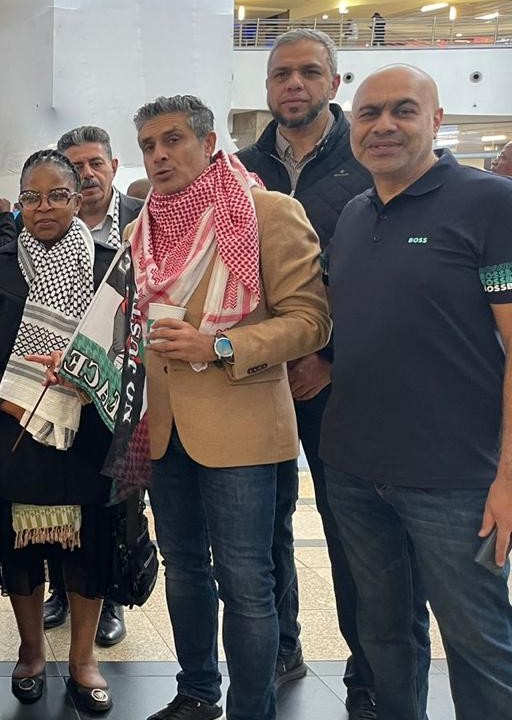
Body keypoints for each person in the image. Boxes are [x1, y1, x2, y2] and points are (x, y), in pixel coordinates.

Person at [129, 95, 331, 720]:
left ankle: (253, 709)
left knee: (246, 583)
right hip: (163, 428)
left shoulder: (265, 212)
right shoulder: (145, 226)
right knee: (184, 569)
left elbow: (311, 321)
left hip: (241, 426)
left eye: (173, 141)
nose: (159, 155)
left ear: (209, 142)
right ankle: (196, 693)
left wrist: (219, 344)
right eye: (148, 146)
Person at [322, 64, 512, 720]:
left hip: (457, 478)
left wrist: (508, 477)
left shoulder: (490, 204)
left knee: (479, 642)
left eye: (403, 110)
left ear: (436, 120)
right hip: (354, 469)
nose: (383, 126)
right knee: (383, 635)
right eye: (368, 113)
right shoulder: (352, 213)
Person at [234, 28, 382, 718]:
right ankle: (282, 645)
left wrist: (329, 357)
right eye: (281, 75)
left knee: (352, 532)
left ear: (334, 82)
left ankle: (368, 668)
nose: (293, 85)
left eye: (308, 73)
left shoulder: (369, 157)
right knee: (262, 527)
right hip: (256, 382)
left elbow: (381, 282)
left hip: (339, 386)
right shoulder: (236, 169)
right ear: (267, 88)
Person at [0, 148, 123, 713]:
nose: (43, 207)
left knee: (86, 551)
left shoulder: (107, 267)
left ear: (78, 199)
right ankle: (29, 653)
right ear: (18, 202)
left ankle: (82, 661)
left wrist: (88, 377)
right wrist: (9, 398)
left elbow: (128, 345)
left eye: (57, 195)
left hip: (86, 437)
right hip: (14, 435)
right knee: (22, 555)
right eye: (32, 196)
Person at [39, 125, 145, 644]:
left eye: (94, 164)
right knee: (62, 501)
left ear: (113, 166)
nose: (86, 175)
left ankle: (111, 602)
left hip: (118, 395)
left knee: (115, 506)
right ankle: (62, 589)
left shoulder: (141, 225)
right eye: (75, 166)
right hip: (57, 391)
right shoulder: (49, 229)